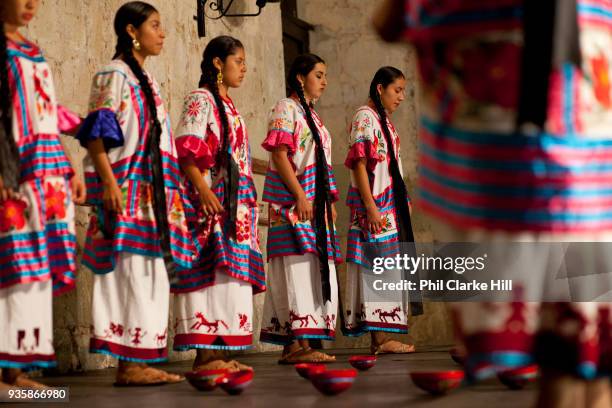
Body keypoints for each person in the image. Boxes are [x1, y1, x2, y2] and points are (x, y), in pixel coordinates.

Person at [374, 1, 611, 407]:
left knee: (575, 357)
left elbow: (390, 22)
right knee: (583, 355)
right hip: (580, 148)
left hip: (522, 154)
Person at [77, 1, 193, 386]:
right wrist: (108, 183)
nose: (162, 34)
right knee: (127, 272)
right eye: (155, 26)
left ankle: (140, 359)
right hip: (126, 188)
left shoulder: (149, 83)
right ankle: (127, 364)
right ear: (131, 30)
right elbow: (97, 132)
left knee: (151, 273)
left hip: (155, 196)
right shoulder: (114, 74)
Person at [0, 0, 85, 388]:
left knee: (36, 269)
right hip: (13, 166)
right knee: (12, 262)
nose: (31, 3)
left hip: (47, 169)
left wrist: (68, 166)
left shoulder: (33, 51)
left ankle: (17, 373)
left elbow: (46, 113)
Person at [172, 35, 265, 372]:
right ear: (217, 63)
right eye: (238, 61)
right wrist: (204, 190)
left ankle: (223, 353)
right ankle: (205, 356)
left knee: (232, 277)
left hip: (236, 207)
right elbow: (188, 148)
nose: (244, 68)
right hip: (209, 202)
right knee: (211, 272)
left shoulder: (229, 107)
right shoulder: (201, 99)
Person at [259, 54, 341, 364]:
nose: (324, 81)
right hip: (294, 203)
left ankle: (303, 343)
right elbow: (280, 156)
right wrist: (301, 196)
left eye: (325, 75)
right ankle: (295, 343)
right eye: (318, 75)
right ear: (299, 77)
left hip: (313, 206)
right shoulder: (286, 108)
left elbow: (321, 163)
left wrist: (327, 202)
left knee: (313, 267)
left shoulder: (315, 118)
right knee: (296, 267)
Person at [343, 66, 416, 354]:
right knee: (376, 268)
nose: (401, 97)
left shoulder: (385, 123)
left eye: (403, 91)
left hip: (390, 208)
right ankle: (380, 340)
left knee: (389, 271)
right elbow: (360, 165)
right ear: (379, 88)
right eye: (396, 90)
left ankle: (384, 337)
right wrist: (371, 208)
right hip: (375, 207)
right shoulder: (365, 117)